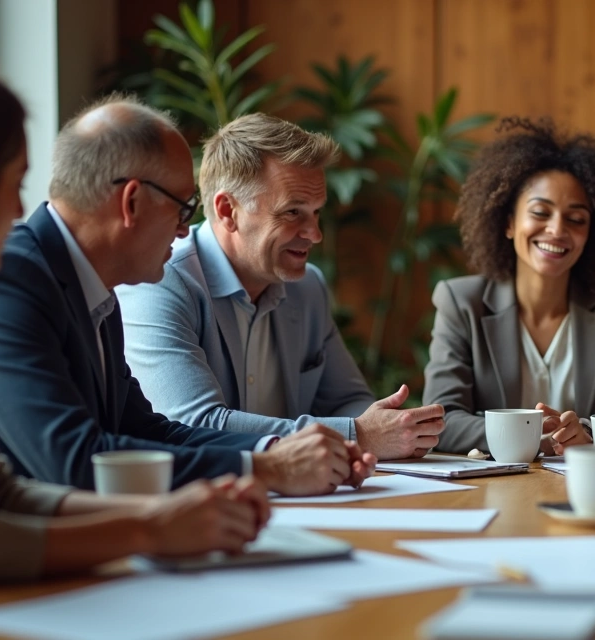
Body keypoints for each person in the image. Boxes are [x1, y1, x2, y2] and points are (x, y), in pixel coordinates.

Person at [0, 55, 269, 588]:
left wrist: (165, 517)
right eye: (12, 182)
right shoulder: (1, 280)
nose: (21, 208)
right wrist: (149, 531)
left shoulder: (91, 286)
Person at [0, 94, 375, 496]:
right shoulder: (6, 277)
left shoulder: (93, 285)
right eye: (183, 208)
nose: (184, 230)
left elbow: (144, 430)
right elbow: (72, 460)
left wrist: (270, 453)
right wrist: (264, 469)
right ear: (131, 203)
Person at [117, 113, 445, 461]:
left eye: (317, 213)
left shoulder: (308, 287)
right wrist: (358, 435)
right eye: (292, 213)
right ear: (228, 210)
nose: (314, 234)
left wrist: (392, 425)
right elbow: (195, 425)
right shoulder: (161, 282)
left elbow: (347, 401)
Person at [424, 118, 595, 456]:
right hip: (491, 493)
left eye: (576, 219)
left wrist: (587, 433)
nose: (557, 230)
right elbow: (441, 420)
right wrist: (526, 434)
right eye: (540, 212)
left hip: (586, 490)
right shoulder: (461, 303)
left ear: (591, 235)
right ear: (510, 222)